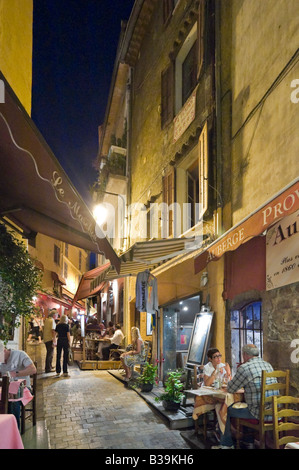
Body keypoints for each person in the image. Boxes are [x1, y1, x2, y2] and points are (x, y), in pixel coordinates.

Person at [212, 344, 276, 449]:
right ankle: (248, 440)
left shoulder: (245, 367)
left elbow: (231, 388)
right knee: (248, 403)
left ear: (245, 354)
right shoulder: (268, 365)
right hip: (274, 410)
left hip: (258, 412)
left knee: (225, 409)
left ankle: (226, 444)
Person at [0, 344, 36, 428]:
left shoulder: (19, 354)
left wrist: (16, 374)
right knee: (4, 401)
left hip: (24, 388)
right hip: (6, 390)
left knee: (13, 401)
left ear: (4, 350)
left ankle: (14, 431)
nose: (3, 362)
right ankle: (4, 429)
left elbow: (33, 369)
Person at [43, 309, 58, 373]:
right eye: (57, 315)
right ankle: (48, 368)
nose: (57, 316)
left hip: (46, 338)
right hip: (50, 339)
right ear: (54, 315)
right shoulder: (52, 321)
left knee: (49, 353)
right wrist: (54, 340)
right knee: (50, 354)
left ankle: (49, 366)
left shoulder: (47, 320)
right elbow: (53, 331)